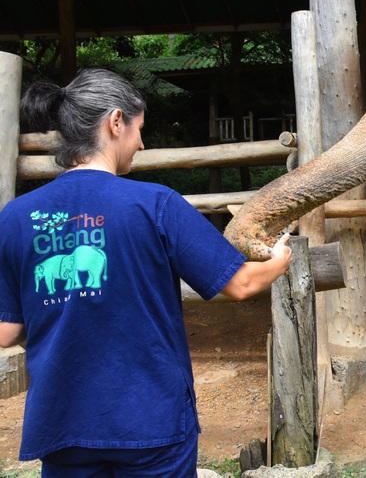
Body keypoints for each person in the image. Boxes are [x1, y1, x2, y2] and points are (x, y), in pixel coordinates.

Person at [0, 68, 293, 477]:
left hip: (62, 421)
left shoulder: (14, 217)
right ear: (115, 122)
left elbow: (6, 333)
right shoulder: (155, 204)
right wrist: (279, 259)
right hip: (150, 419)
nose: (141, 142)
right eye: (139, 128)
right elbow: (241, 285)